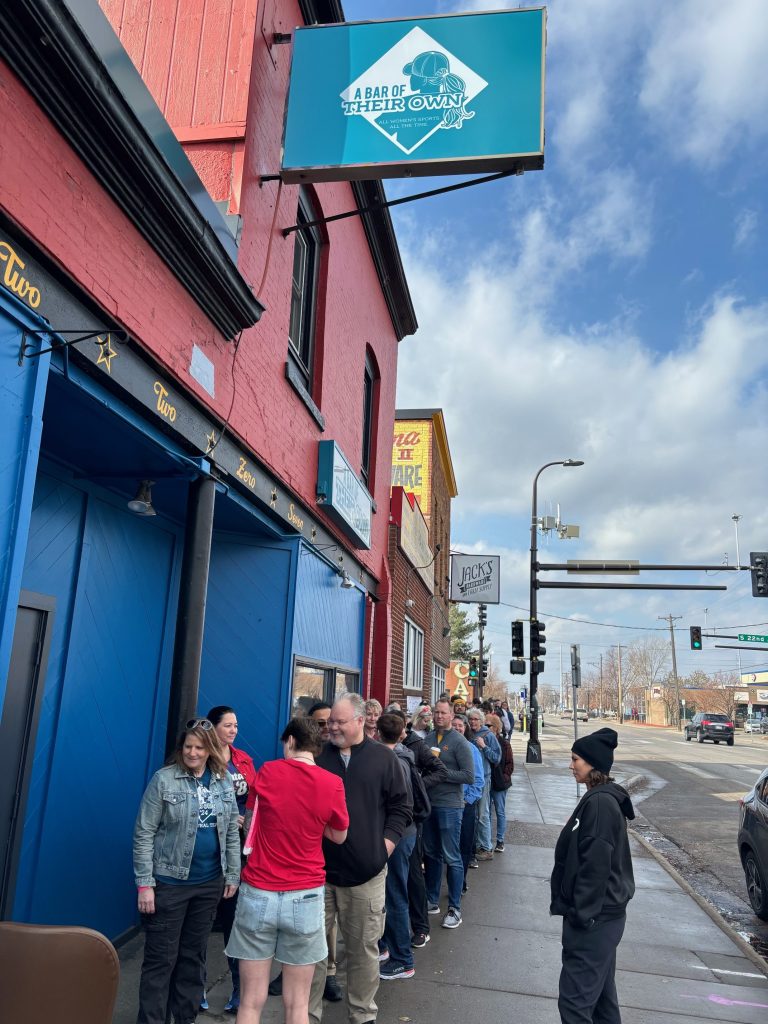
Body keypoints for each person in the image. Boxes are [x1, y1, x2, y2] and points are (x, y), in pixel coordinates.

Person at [226, 717, 349, 1024]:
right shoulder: (332, 783)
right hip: (305, 896)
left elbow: (252, 821)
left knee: (251, 1001)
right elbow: (339, 835)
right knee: (297, 1005)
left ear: (291, 741)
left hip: (258, 892)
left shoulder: (268, 771)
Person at [308, 694, 412, 1024]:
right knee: (311, 951)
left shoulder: (383, 759)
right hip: (317, 874)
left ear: (359, 721)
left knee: (363, 951)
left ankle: (362, 1015)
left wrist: (385, 847)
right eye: (329, 723)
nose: (332, 728)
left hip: (366, 875)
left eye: (339, 722)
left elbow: (401, 807)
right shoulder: (317, 758)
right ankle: (306, 1014)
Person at [133, 718, 240, 1024]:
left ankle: (185, 1018)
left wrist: (232, 872)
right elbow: (144, 832)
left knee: (193, 958)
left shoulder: (223, 781)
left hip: (208, 884)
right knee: (161, 961)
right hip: (169, 884)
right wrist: (145, 884)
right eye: (187, 747)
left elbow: (231, 830)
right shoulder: (164, 780)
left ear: (210, 749)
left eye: (199, 747)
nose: (192, 753)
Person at [550, 728, 635, 1024]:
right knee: (602, 1003)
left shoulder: (600, 804)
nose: (571, 765)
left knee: (574, 1006)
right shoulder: (599, 799)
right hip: (603, 918)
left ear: (593, 764)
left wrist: (581, 916)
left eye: (576, 760)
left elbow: (595, 867)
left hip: (595, 920)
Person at [270, 699, 342, 1003]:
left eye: (329, 723)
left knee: (323, 928)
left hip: (327, 860)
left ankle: (328, 974)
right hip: (298, 861)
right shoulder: (288, 766)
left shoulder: (338, 761)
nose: (326, 729)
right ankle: (289, 974)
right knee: (301, 928)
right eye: (320, 724)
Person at [202, 705, 258, 1013]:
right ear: (213, 728)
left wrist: (246, 819)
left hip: (236, 851)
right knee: (200, 921)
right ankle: (196, 986)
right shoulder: (199, 757)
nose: (234, 730)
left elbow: (255, 798)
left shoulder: (244, 760)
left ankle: (239, 988)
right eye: (228, 725)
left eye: (236, 725)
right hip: (205, 847)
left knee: (235, 922)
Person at [422, 699, 475, 929]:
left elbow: (468, 776)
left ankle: (454, 908)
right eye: (436, 712)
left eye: (443, 713)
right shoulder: (429, 739)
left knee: (452, 856)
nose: (438, 716)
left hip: (450, 806)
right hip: (429, 805)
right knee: (431, 854)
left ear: (452, 714)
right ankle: (432, 900)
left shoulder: (460, 742)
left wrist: (443, 774)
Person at [400, 709, 448, 948]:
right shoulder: (372, 746)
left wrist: (416, 785)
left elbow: (441, 771)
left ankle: (420, 926)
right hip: (380, 821)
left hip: (410, 820)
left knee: (413, 873)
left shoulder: (416, 745)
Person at [376, 713, 419, 980]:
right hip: (406, 833)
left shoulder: (391, 762)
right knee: (391, 893)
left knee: (394, 895)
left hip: (397, 836)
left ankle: (403, 959)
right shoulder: (404, 755)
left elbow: (395, 803)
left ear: (378, 734)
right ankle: (388, 947)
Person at [451, 714, 484, 889]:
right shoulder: (444, 747)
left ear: (465, 728)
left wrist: (467, 800)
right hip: (447, 804)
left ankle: (460, 881)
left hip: (465, 805)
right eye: (454, 725)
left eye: (460, 725)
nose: (457, 728)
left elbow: (478, 781)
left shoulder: (472, 749)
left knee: (463, 846)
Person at [466, 707, 501, 861]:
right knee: (471, 815)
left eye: (476, 719)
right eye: (471, 719)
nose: (473, 722)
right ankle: (475, 845)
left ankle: (486, 848)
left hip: (483, 779)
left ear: (481, 721)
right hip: (468, 779)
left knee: (483, 814)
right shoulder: (467, 735)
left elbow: (496, 758)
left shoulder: (488, 736)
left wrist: (484, 747)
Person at [485, 713, 513, 853]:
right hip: (487, 782)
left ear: (496, 728)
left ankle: (500, 840)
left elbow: (509, 764)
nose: (486, 728)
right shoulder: (482, 741)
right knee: (486, 812)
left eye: (488, 725)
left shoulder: (504, 743)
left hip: (499, 783)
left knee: (499, 811)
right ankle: (487, 840)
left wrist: (504, 777)